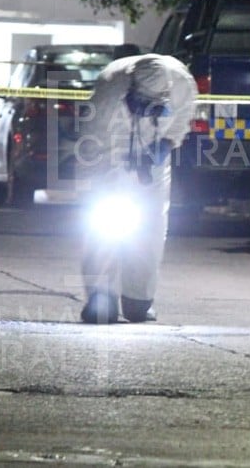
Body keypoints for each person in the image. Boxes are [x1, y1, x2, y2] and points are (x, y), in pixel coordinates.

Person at [75, 53, 197, 324]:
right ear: (131, 90)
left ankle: (139, 299)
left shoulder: (182, 83)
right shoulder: (109, 93)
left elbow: (180, 122)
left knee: (151, 227)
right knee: (101, 230)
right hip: (110, 158)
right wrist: (100, 189)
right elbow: (93, 145)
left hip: (155, 158)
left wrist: (162, 147)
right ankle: (101, 295)